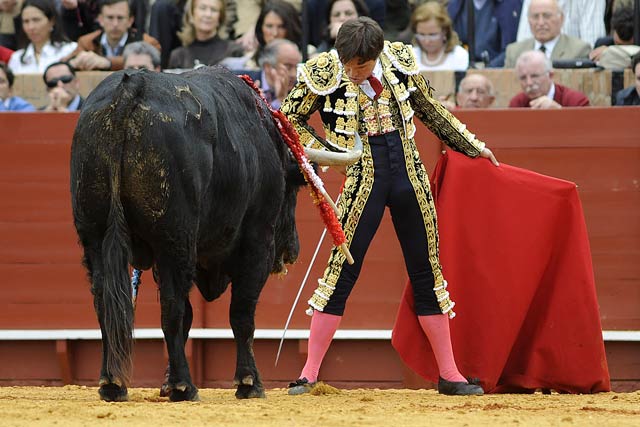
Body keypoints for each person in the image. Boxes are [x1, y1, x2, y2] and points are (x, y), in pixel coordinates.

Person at [280, 17, 498, 396]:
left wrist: (472, 146)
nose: (351, 71)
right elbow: (289, 117)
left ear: (377, 56)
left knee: (426, 270)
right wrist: (326, 152)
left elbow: (431, 110)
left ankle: (450, 373)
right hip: (362, 177)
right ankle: (309, 373)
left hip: (408, 174)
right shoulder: (326, 70)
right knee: (341, 270)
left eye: (360, 66)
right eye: (347, 63)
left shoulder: (400, 61)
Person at [65, 0, 161, 71]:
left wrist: (108, 63)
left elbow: (151, 63)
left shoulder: (148, 42)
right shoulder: (86, 41)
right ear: (100, 20)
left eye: (120, 18)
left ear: (130, 21)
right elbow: (67, 62)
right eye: (110, 18)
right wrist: (75, 62)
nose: (115, 24)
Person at [504, 0, 590, 68]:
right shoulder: (514, 52)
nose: (541, 23)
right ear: (528, 20)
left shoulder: (579, 50)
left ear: (561, 19)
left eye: (547, 16)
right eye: (535, 17)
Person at [167, 0, 242, 69]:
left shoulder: (233, 51)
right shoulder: (179, 56)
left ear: (220, 18)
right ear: (191, 14)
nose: (208, 14)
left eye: (214, 10)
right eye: (203, 8)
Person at [8, 0, 77, 74]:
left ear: (52, 21)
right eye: (26, 21)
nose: (31, 27)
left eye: (36, 20)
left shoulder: (70, 50)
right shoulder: (17, 58)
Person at [447, 0, 523, 65]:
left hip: (497, 70)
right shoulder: (455, 5)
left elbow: (511, 49)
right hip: (462, 67)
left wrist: (489, 68)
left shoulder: (510, 4)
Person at [509, 49, 589, 108]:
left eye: (534, 76)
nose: (529, 83)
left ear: (550, 75)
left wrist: (559, 112)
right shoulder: (517, 104)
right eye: (523, 78)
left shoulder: (576, 101)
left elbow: (589, 128)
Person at [516, 0, 606, 48]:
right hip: (535, 65)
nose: (541, 22)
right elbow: (523, 45)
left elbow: (591, 47)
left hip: (573, 67)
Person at [410, 1, 468, 71]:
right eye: (421, 35)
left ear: (445, 31)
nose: (427, 41)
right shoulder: (410, 56)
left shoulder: (459, 55)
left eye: (432, 35)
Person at [255, 38, 301, 109]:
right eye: (288, 67)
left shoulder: (299, 92)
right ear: (268, 66)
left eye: (296, 67)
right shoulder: (245, 82)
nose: (293, 74)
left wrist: (282, 100)